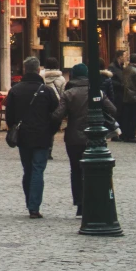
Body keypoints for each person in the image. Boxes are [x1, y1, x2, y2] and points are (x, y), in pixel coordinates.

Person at [53, 62, 117, 216]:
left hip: (74, 137)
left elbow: (58, 115)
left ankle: (80, 203)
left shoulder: (69, 94)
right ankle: (94, 201)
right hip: (94, 138)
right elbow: (113, 109)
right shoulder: (96, 92)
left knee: (76, 170)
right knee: (94, 170)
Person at [4, 57, 59, 218]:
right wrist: (51, 130)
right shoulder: (46, 91)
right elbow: (56, 114)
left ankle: (30, 202)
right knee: (37, 170)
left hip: (23, 136)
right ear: (38, 70)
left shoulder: (16, 90)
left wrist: (14, 128)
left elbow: (9, 115)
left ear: (24, 69)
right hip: (42, 136)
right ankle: (34, 206)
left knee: (28, 170)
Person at [119, 53, 136, 142]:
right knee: (134, 117)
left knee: (126, 117)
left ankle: (125, 134)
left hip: (126, 96)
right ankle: (132, 135)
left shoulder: (125, 69)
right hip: (135, 97)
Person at [109, 49, 126, 116]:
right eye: (125, 56)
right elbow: (110, 80)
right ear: (120, 57)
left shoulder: (122, 67)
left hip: (122, 95)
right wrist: (120, 85)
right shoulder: (112, 67)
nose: (126, 58)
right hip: (116, 95)